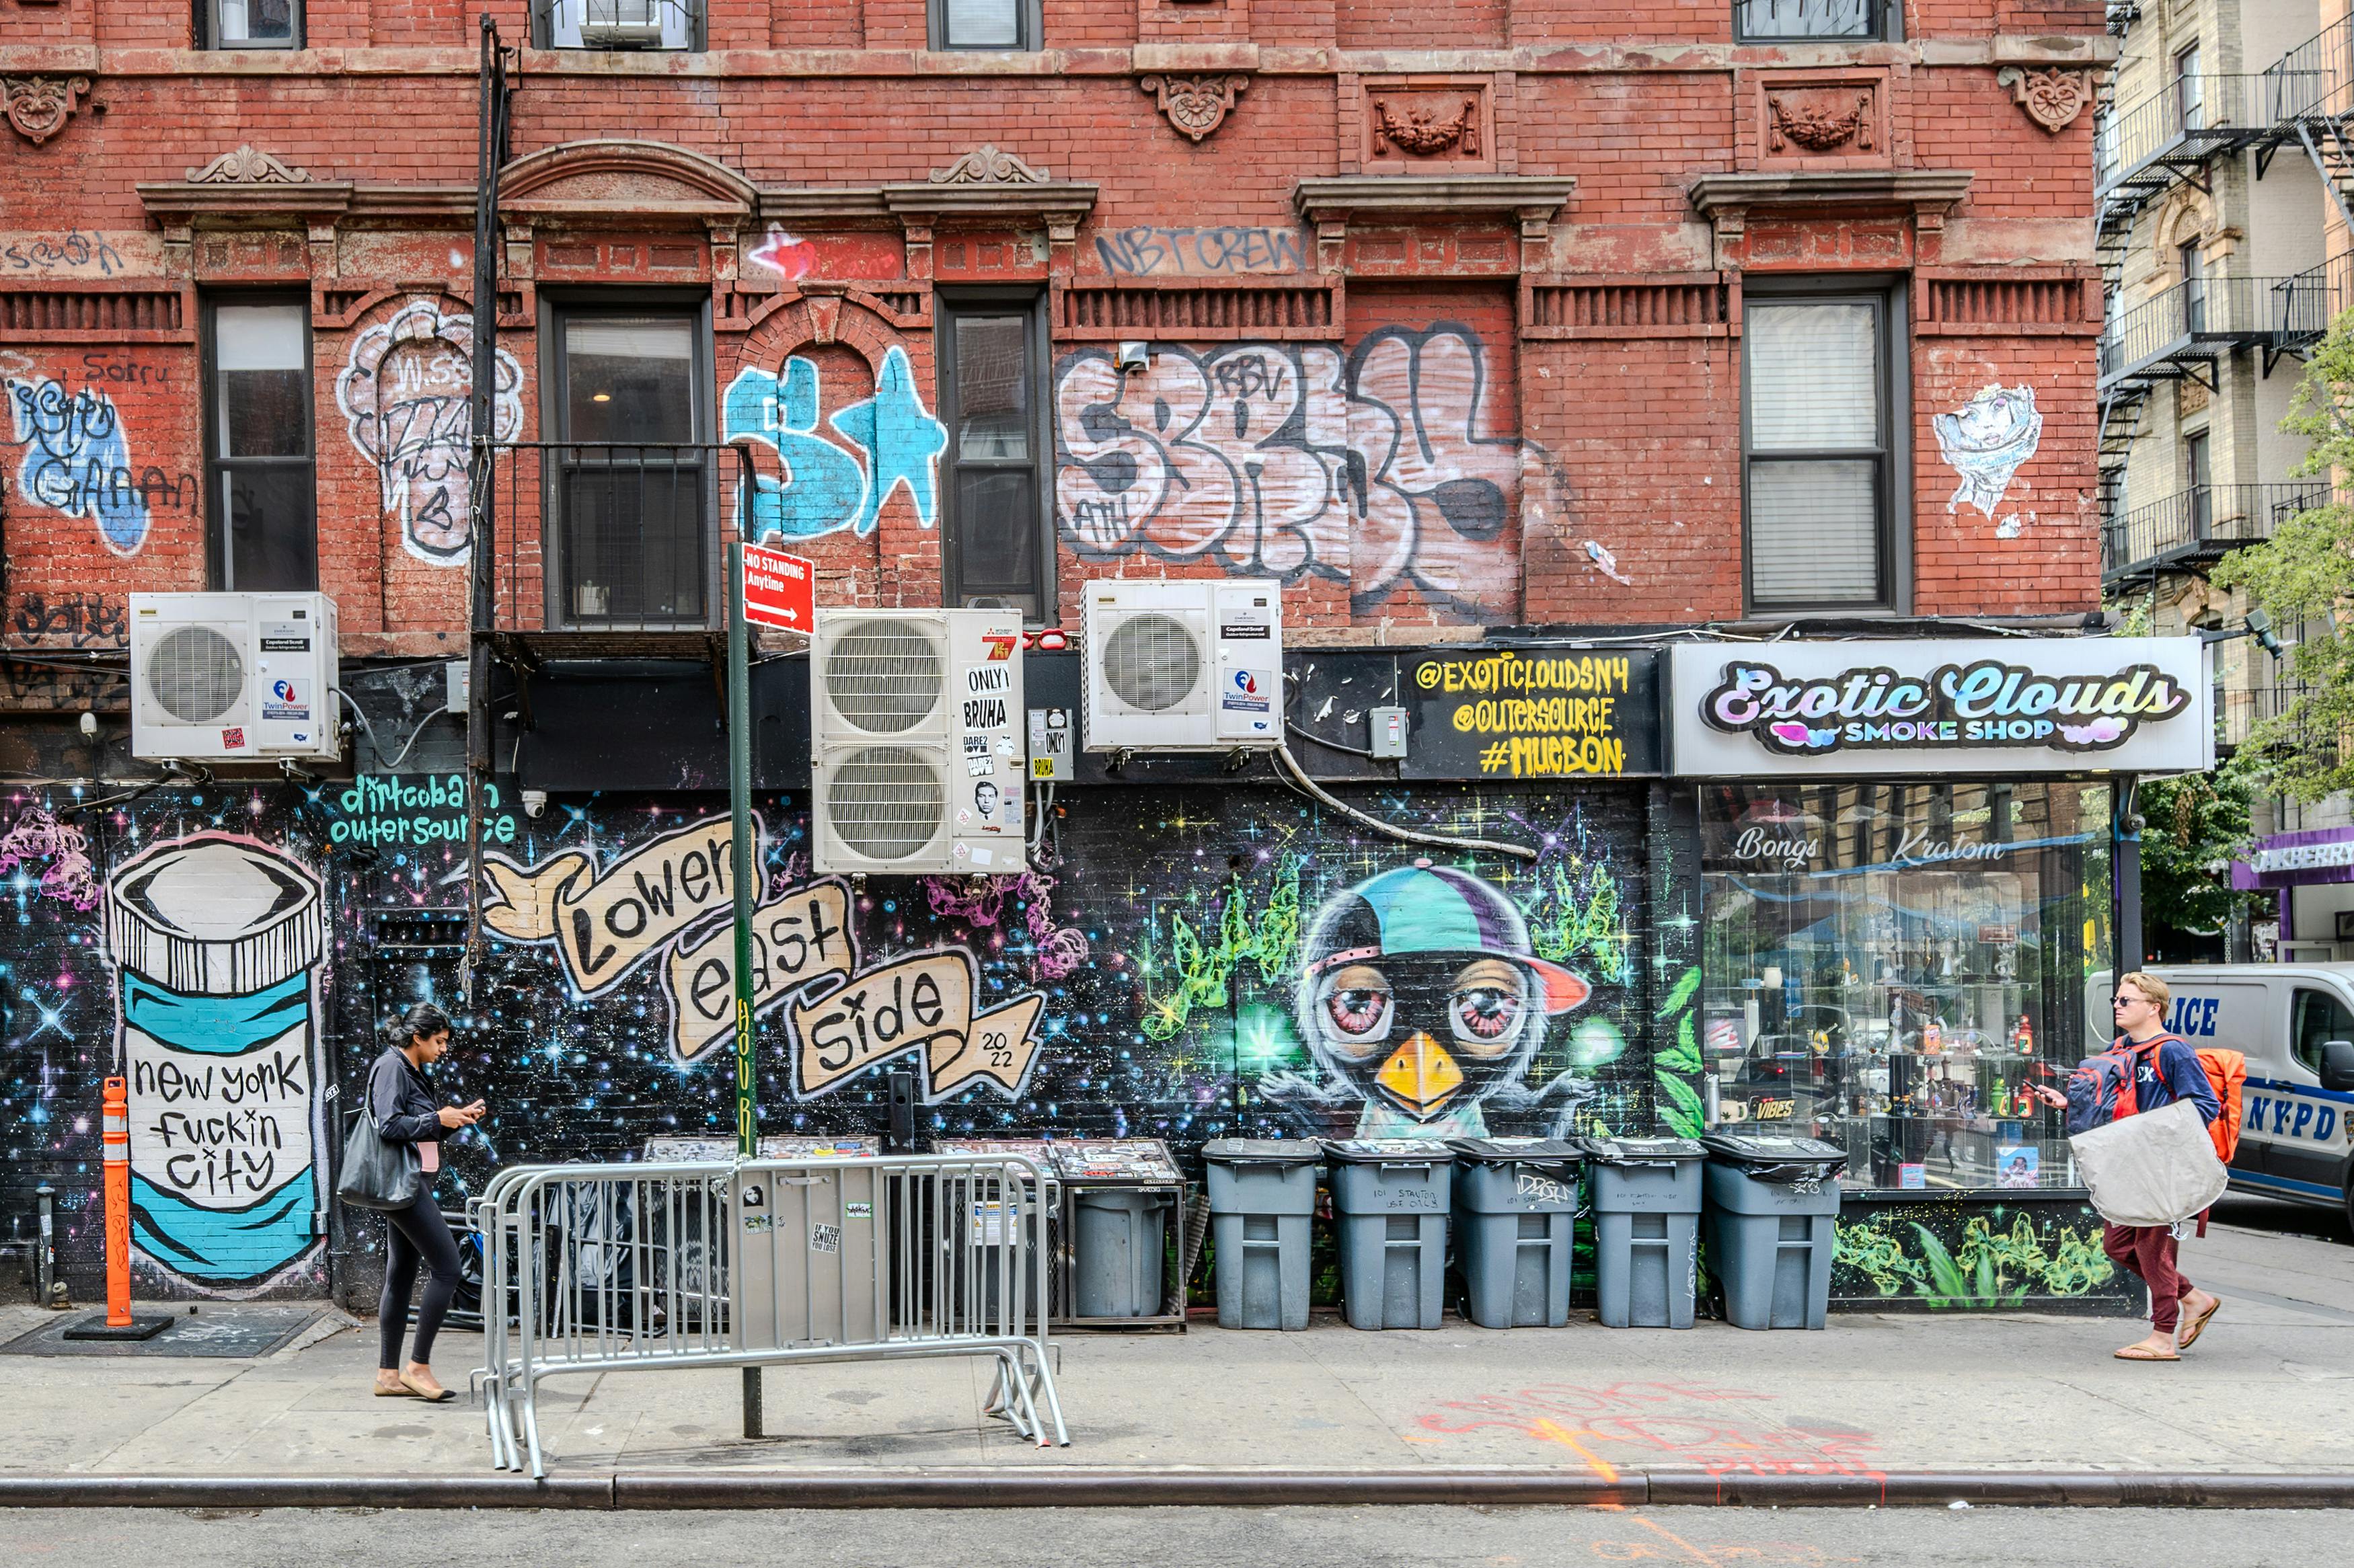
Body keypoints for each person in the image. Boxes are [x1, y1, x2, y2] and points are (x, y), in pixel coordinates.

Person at [2023, 972, 2222, 1362]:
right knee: (2117, 1246)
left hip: (2157, 1167)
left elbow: (2205, 1105)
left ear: (2154, 1007)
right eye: (2116, 999)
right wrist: (2068, 1103)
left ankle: (2163, 1336)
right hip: (2126, 1163)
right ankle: (2194, 1299)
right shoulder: (2121, 1049)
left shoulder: (2173, 1051)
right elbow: (2114, 1104)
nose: (2117, 1005)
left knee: (2153, 1250)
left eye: (2126, 1000)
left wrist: (2153, 1132)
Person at [365, 1002, 485, 1401]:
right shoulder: (391, 1067)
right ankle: (417, 1366)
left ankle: (388, 1375)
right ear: (418, 1037)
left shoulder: (412, 1071)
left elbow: (418, 1131)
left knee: (400, 1274)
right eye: (439, 1041)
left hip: (415, 1181)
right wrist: (438, 1118)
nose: (443, 1049)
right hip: (405, 1185)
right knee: (449, 1269)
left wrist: (454, 1119)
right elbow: (389, 1125)